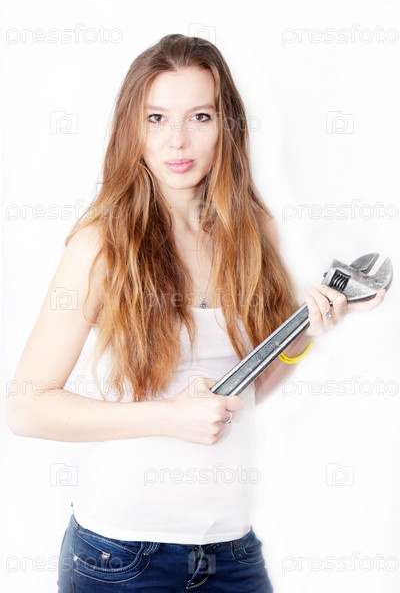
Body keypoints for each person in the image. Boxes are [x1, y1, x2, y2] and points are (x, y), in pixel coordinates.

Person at [6, 34, 385, 593]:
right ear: (132, 127)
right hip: (120, 557)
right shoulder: (102, 246)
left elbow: (245, 388)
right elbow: (26, 407)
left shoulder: (252, 232)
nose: (177, 140)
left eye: (200, 117)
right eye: (156, 117)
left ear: (226, 125)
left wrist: (303, 335)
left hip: (232, 553)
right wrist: (167, 417)